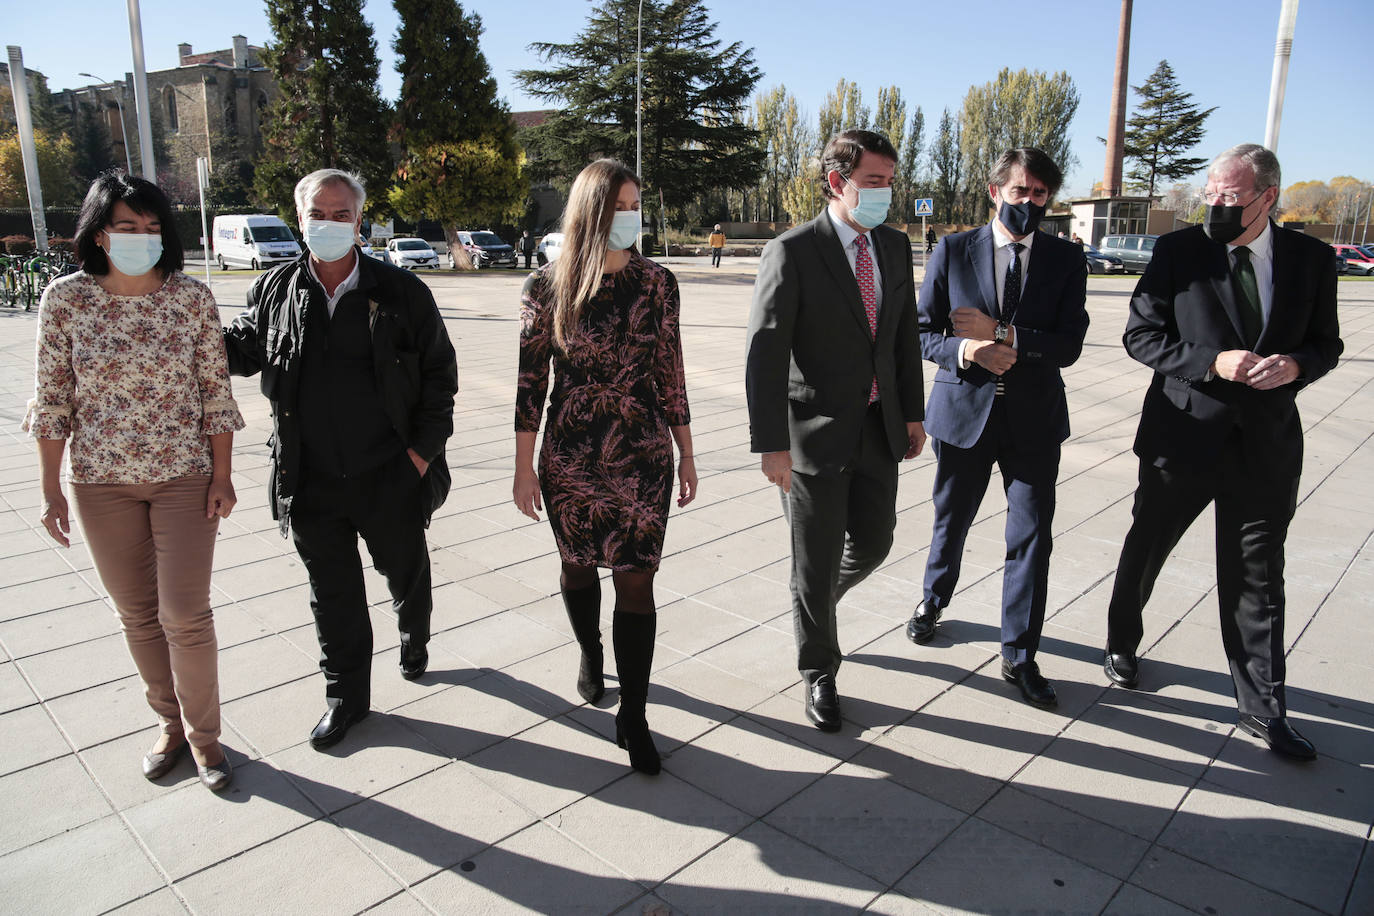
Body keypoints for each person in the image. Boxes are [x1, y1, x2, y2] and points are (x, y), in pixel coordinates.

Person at [1103, 143, 1342, 759]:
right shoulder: (1179, 253)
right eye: (1210, 192)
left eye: (1229, 196)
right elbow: (1141, 335)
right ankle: (1121, 641)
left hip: (1264, 448)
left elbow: (1327, 344)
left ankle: (1263, 708)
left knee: (1258, 578)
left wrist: (1296, 366)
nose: (1215, 204)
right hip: (1181, 438)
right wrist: (1212, 362)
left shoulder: (1311, 259)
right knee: (1146, 547)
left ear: (1267, 198)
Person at [223, 169, 458, 751]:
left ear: (360, 221)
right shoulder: (274, 290)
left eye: (340, 215)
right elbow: (240, 351)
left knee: (404, 569)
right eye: (317, 215)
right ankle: (346, 697)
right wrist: (176, 317)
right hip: (310, 477)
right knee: (333, 592)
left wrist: (418, 458)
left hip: (390, 473)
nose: (328, 225)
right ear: (300, 219)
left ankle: (413, 631)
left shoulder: (402, 293)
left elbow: (439, 380)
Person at [26, 171, 244, 791]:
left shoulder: (191, 298)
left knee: (185, 613)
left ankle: (207, 741)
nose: (141, 237)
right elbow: (52, 401)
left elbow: (214, 392)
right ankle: (169, 726)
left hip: (184, 476)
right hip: (100, 481)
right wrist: (50, 489)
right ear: (98, 234)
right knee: (138, 616)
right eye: (127, 227)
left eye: (152, 228)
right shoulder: (65, 300)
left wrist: (222, 474)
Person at [514, 158, 696, 775]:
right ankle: (591, 653)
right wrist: (522, 467)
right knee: (576, 566)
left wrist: (688, 450)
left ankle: (635, 714)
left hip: (643, 451)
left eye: (635, 205)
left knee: (637, 578)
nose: (630, 217)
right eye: (619, 206)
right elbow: (530, 382)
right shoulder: (546, 286)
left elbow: (671, 369)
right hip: (570, 450)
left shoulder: (659, 283)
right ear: (591, 212)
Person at [745, 129, 926, 732]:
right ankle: (819, 669)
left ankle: (816, 604)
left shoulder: (896, 249)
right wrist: (771, 444)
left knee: (874, 543)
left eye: (890, 181)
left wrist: (912, 413)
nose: (886, 193)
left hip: (878, 430)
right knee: (813, 562)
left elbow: (901, 337)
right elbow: (764, 354)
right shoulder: (793, 251)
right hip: (810, 436)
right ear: (836, 182)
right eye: (874, 181)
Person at [907, 148, 1088, 709]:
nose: (1029, 202)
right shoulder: (954, 249)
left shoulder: (1065, 258)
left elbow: (1069, 344)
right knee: (951, 518)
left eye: (1039, 194)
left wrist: (1008, 337)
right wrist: (969, 350)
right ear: (995, 191)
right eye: (1020, 191)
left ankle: (1019, 653)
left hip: (1034, 420)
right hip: (963, 415)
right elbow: (920, 331)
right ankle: (934, 598)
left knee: (1032, 536)